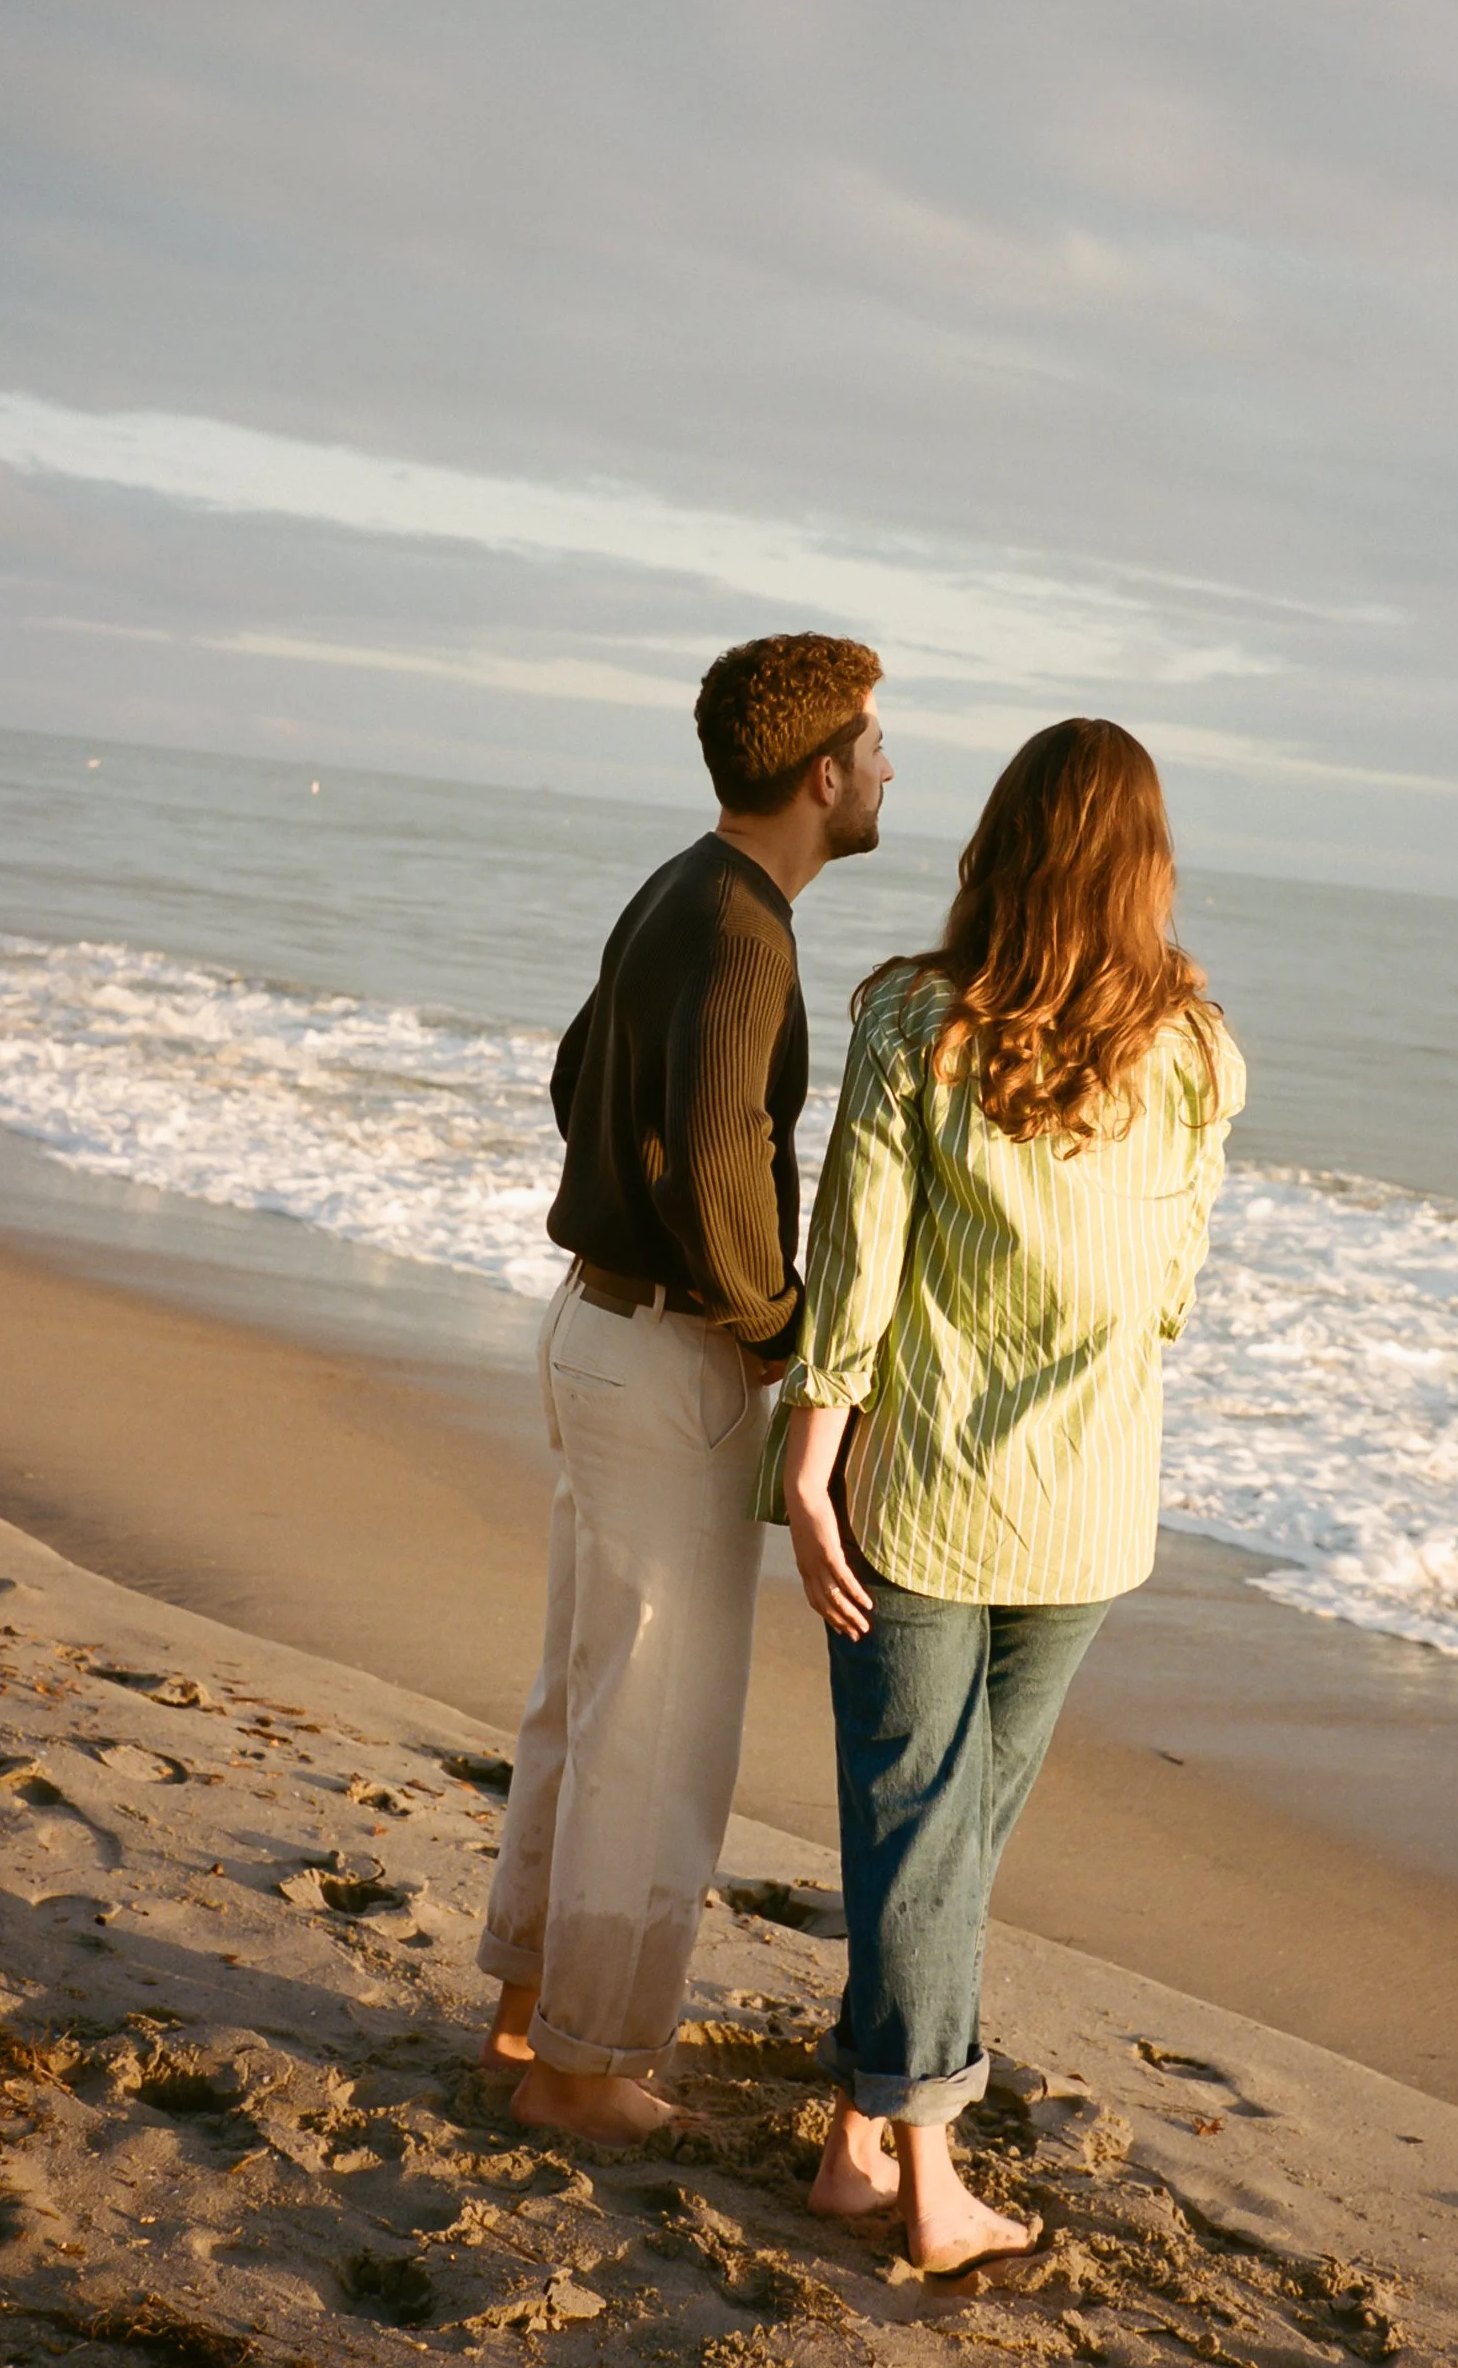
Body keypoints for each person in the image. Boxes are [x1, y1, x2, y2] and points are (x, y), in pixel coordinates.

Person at [766, 718, 1245, 2272]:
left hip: (926, 1491)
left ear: (1003, 843)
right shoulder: (1198, 1057)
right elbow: (1169, 1295)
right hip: (1093, 1509)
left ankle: (915, 2169)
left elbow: (860, 1264)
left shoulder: (917, 1022)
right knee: (955, 1828)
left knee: (919, 1821)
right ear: (1146, 866)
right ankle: (879, 2152)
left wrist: (808, 1461)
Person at [476, 632, 892, 2145]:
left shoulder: (679, 889)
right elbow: (726, 1170)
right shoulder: (745, 931)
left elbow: (576, 1071)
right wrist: (783, 1342)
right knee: (652, 1726)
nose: (890, 768)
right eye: (876, 743)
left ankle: (533, 2019)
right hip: (662, 1351)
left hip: (594, 1322)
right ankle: (582, 2073)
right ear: (820, 772)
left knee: (582, 1705)